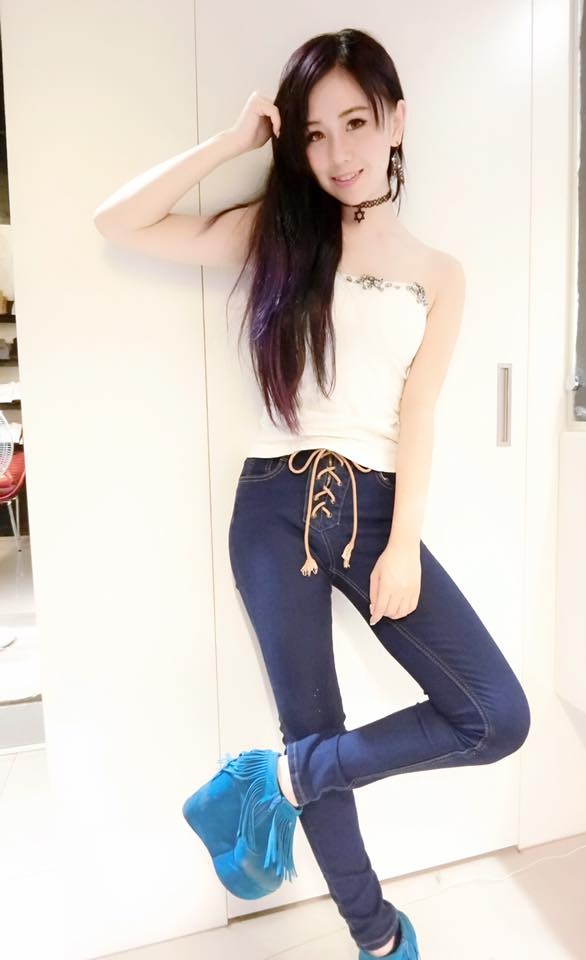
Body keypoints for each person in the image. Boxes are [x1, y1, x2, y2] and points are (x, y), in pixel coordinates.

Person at [93, 27, 531, 960]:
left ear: (396, 121)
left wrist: (404, 542)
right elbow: (118, 222)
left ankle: (280, 780)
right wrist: (231, 144)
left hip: (373, 510)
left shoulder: (440, 275)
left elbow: (418, 413)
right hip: (272, 508)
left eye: (356, 123)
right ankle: (378, 938)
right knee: (316, 726)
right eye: (315, 134)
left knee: (495, 714)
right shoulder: (281, 232)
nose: (338, 153)